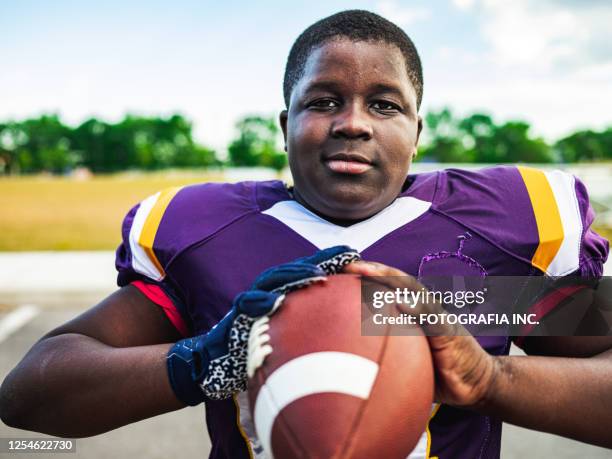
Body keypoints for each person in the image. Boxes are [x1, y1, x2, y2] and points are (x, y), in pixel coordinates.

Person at [1, 9, 611, 459]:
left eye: (384, 105)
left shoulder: (485, 240)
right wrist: (204, 357)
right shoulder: (213, 236)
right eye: (323, 100)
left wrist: (490, 379)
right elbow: (30, 391)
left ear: (417, 130)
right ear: (285, 121)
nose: (353, 124)